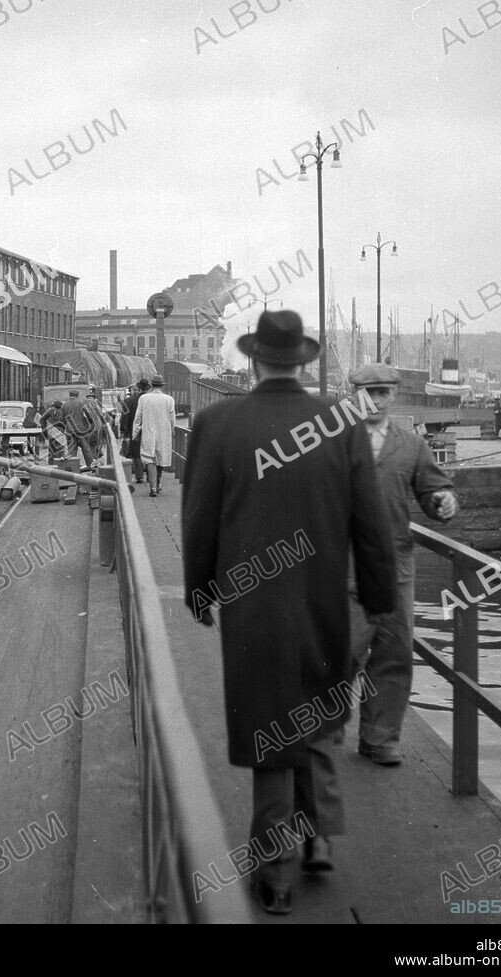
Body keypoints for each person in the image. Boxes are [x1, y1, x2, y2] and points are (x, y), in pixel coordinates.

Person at [181, 310, 395, 916]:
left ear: (253, 360)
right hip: (324, 604)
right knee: (319, 717)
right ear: (303, 362)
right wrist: (378, 600)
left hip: (252, 609)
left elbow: (198, 520)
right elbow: (370, 524)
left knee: (268, 727)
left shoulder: (216, 423)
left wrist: (201, 591)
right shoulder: (340, 424)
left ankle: (273, 874)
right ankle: (318, 834)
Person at [346, 363, 459, 767]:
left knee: (394, 653)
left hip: (396, 566)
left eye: (383, 392)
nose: (375, 400)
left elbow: (434, 487)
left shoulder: (411, 445)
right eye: (367, 392)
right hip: (343, 565)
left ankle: (380, 738)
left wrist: (443, 502)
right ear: (352, 393)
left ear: (394, 395)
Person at [132, 375, 175, 496]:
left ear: (151, 385)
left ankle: (153, 487)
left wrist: (135, 433)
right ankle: (158, 482)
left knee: (149, 458)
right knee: (161, 456)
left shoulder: (144, 398)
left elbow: (138, 417)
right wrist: (171, 431)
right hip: (163, 432)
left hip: (148, 431)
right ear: (162, 386)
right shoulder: (169, 399)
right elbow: (173, 419)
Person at [120, 380, 151, 484]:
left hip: (134, 430)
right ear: (148, 388)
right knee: (150, 452)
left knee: (137, 453)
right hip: (150, 430)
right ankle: (151, 477)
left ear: (138, 387)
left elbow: (124, 417)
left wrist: (124, 431)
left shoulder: (128, 400)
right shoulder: (151, 400)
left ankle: (139, 476)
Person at [61, 389, 99, 469]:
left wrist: (66, 426)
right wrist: (91, 422)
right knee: (86, 449)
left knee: (71, 450)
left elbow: (62, 419)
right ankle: (91, 466)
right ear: (77, 395)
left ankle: (72, 467)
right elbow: (88, 414)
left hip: (70, 430)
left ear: (70, 395)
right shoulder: (81, 403)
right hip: (82, 430)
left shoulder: (65, 405)